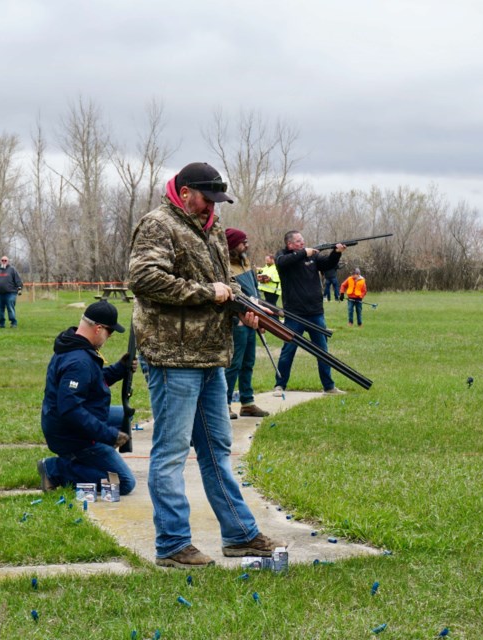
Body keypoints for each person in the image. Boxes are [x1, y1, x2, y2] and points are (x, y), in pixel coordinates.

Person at [129, 161, 283, 569]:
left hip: (211, 355)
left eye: (216, 201)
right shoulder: (158, 224)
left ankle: (239, 535)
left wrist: (242, 307)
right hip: (171, 356)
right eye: (206, 199)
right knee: (172, 451)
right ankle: (173, 544)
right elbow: (144, 278)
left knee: (217, 448)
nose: (211, 208)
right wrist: (208, 293)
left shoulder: (211, 227)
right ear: (184, 192)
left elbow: (223, 284)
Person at [36, 300, 137, 496]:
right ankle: (55, 469)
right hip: (71, 435)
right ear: (98, 329)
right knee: (124, 483)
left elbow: (92, 382)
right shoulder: (78, 361)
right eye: (110, 332)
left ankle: (96, 459)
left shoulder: (75, 345)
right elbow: (71, 411)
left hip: (66, 423)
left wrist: (119, 369)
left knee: (123, 416)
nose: (109, 337)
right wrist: (107, 435)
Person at [274, 231, 346, 394]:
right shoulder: (283, 256)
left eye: (303, 241)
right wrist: (302, 253)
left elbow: (327, 264)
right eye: (298, 241)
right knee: (288, 351)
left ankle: (329, 386)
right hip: (294, 313)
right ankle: (280, 385)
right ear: (290, 244)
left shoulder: (313, 256)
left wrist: (336, 253)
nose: (302, 243)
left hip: (315, 312)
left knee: (323, 351)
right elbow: (282, 262)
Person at [224, 228, 270, 420]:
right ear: (232, 245)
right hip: (237, 320)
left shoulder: (245, 262)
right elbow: (231, 294)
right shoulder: (225, 266)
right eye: (243, 242)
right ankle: (224, 404)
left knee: (248, 362)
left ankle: (247, 403)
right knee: (234, 363)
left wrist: (260, 315)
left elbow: (254, 291)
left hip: (252, 316)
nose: (246, 245)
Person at [0, 256, 23, 328]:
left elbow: (18, 281)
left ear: (8, 261)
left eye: (5, 260)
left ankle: (13, 323)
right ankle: (1, 324)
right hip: (0, 294)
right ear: (0, 261)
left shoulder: (12, 270)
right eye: (2, 260)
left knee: (10, 307)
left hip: (11, 293)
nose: (4, 261)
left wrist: (19, 289)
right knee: (0, 309)